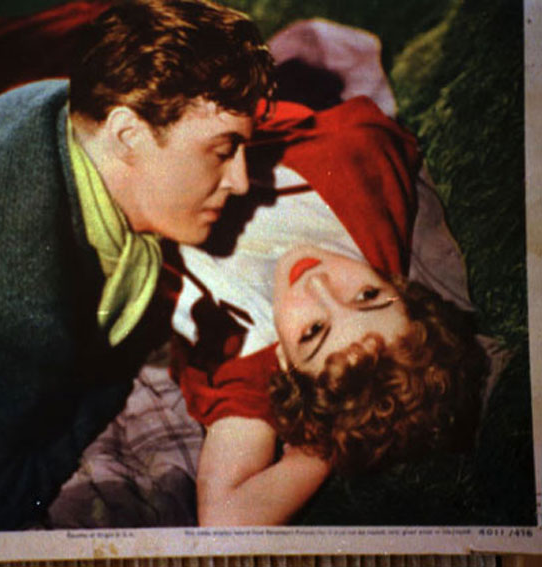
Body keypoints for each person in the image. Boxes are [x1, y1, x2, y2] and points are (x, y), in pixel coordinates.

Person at [0, 0, 274, 531]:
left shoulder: (60, 105)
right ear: (127, 134)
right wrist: (103, 390)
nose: (240, 181)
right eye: (222, 150)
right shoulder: (15, 301)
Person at [169, 95, 488, 525]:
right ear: (398, 286)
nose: (319, 284)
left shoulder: (248, 360)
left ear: (285, 364)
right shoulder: (361, 185)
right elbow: (368, 129)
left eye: (313, 332)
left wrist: (322, 446)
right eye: (368, 296)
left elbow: (226, 518)